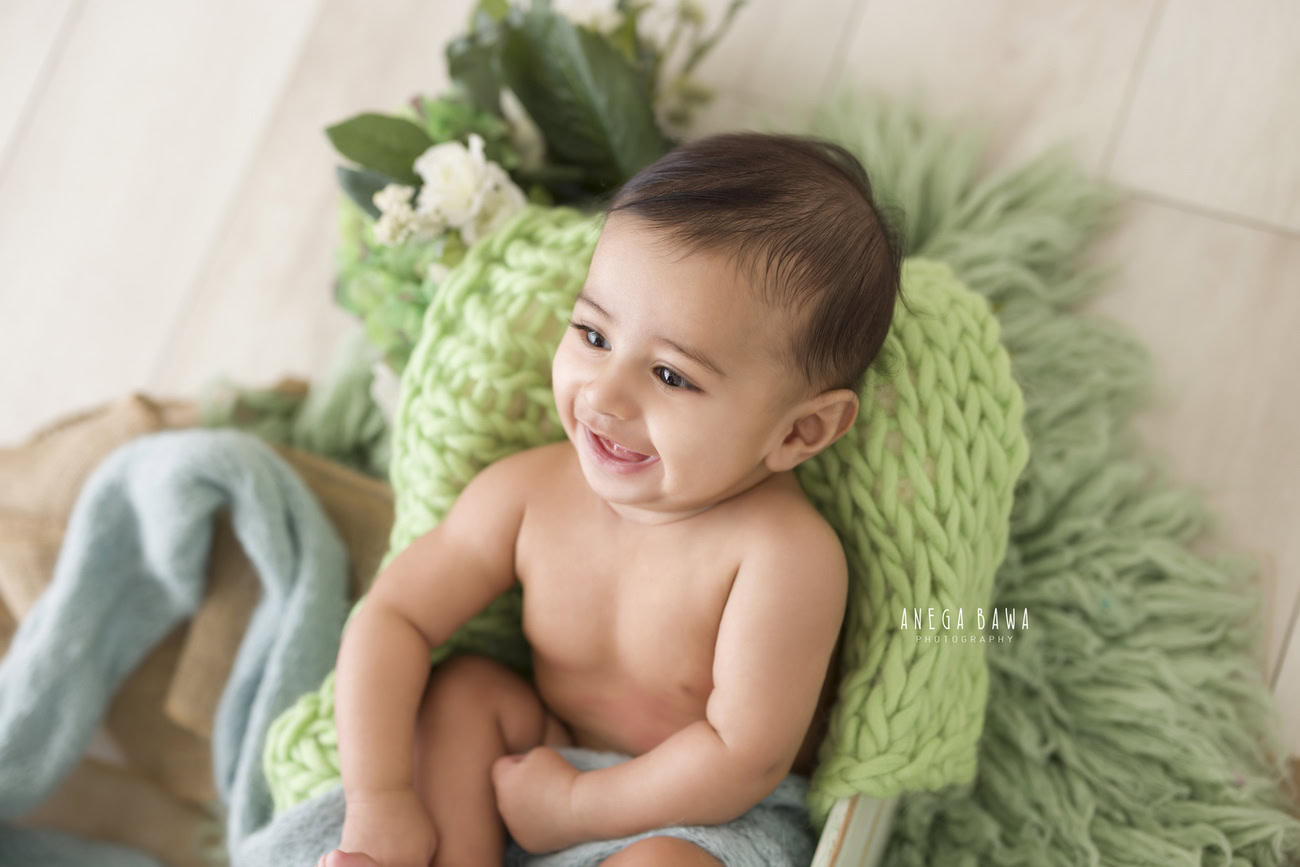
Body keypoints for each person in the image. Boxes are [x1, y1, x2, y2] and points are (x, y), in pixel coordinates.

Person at [319, 131, 907, 867]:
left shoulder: (781, 556)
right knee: (465, 693)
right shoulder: (527, 493)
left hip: (701, 821)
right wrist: (380, 800)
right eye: (593, 333)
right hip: (549, 752)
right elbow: (394, 614)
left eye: (670, 376)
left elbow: (740, 757)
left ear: (801, 431)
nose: (603, 393)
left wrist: (575, 807)